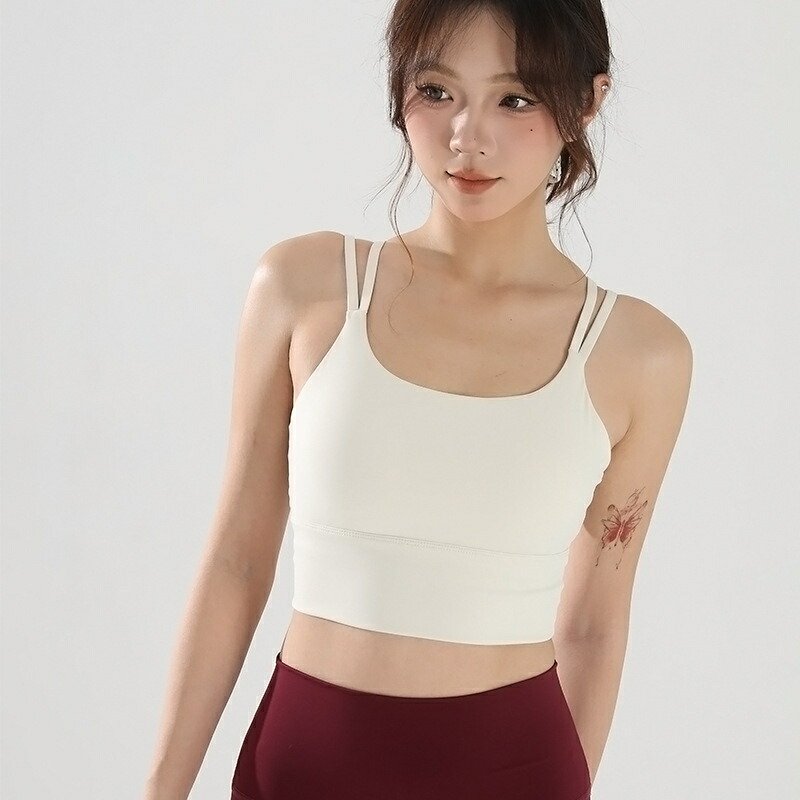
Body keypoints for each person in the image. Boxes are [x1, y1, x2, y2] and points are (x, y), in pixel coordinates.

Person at [143, 2, 693, 799]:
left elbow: (594, 623)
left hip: (514, 775)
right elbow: (237, 560)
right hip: (301, 768)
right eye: (437, 92)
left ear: (586, 102)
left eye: (515, 98)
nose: (468, 136)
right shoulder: (306, 289)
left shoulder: (639, 354)